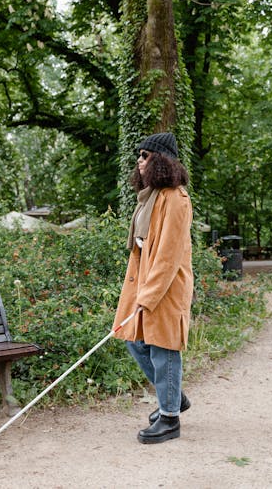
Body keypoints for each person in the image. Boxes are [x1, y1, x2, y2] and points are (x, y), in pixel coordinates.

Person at [113, 132, 194, 444]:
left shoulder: (176, 200)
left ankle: (170, 419)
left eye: (145, 155)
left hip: (167, 288)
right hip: (145, 285)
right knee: (134, 341)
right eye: (140, 155)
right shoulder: (151, 197)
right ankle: (173, 397)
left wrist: (147, 298)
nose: (139, 160)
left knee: (164, 347)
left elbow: (168, 256)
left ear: (160, 160)